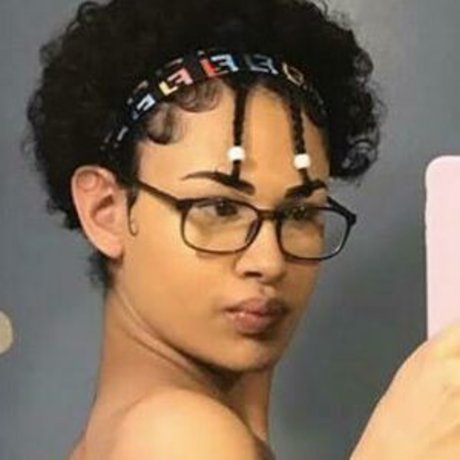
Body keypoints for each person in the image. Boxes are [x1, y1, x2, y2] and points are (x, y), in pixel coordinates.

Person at [25, 0, 460, 459]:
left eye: (300, 213)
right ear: (105, 210)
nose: (269, 261)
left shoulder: (129, 436)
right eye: (220, 208)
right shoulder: (178, 436)